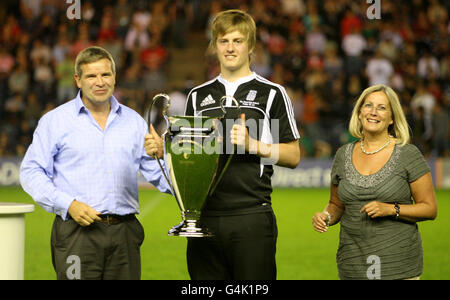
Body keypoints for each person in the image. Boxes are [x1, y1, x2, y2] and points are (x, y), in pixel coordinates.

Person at [146, 9, 301, 280]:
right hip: (203, 216)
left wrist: (253, 144)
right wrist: (165, 148)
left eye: (238, 41)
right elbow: (191, 154)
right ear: (214, 46)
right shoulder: (198, 95)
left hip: (252, 214)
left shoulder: (272, 94)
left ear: (250, 46)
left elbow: (293, 155)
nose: (230, 48)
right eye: (223, 41)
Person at [20, 46, 171, 280]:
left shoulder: (134, 122)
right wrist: (68, 204)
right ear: (78, 80)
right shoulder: (56, 121)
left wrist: (166, 157)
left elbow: (160, 176)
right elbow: (31, 171)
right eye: (91, 76)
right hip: (76, 234)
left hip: (124, 234)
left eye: (105, 75)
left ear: (114, 77)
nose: (100, 82)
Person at [312, 84, 437, 280]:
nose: (373, 112)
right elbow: (336, 204)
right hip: (352, 264)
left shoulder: (408, 154)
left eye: (382, 108)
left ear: (392, 118)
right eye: (368, 105)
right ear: (360, 112)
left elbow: (429, 209)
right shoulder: (342, 154)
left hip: (397, 265)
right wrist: (326, 216)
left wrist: (391, 209)